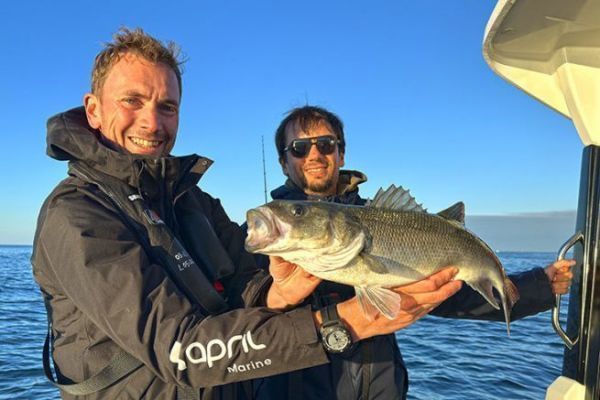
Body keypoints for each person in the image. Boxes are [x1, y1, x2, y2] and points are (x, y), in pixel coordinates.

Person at [31, 29, 465, 400]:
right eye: (132, 101)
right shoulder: (77, 215)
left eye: (167, 106)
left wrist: (278, 294)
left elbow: (246, 282)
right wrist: (346, 322)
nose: (151, 122)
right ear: (93, 109)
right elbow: (182, 350)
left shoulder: (191, 200)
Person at [252, 105, 575, 400]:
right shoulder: (266, 239)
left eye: (326, 144)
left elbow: (449, 294)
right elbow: (240, 320)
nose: (314, 155)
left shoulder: (390, 222)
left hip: (381, 388)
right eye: (299, 148)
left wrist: (539, 285)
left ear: (341, 153)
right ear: (283, 161)